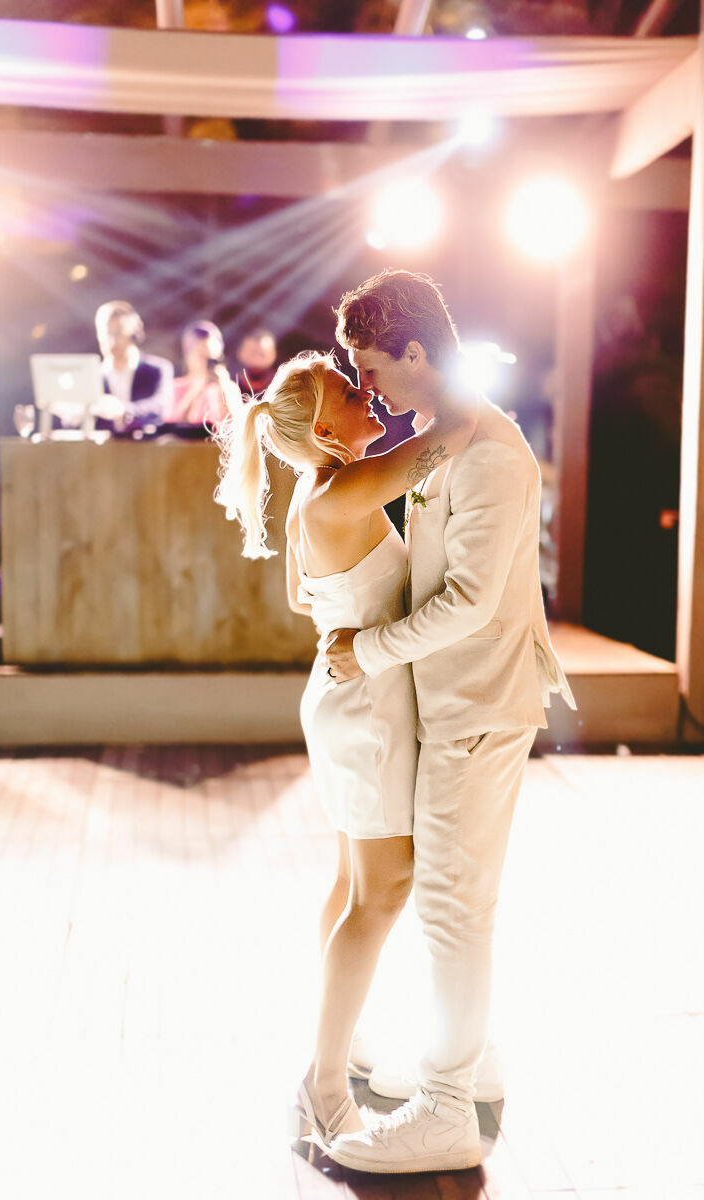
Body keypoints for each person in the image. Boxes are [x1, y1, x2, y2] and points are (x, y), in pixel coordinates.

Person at [323, 269, 575, 1175]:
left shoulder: (493, 451)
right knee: (457, 898)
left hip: (477, 703)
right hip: (455, 700)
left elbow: (469, 601)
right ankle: (468, 1060)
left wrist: (369, 648)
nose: (367, 385)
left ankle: (445, 1109)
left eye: (372, 363)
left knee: (450, 906)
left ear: (417, 350)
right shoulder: (442, 435)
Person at [213, 346, 476, 1153]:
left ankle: (341, 1039)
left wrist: (348, 620)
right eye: (352, 392)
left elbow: (302, 595)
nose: (370, 395)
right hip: (364, 710)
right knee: (383, 890)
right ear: (326, 431)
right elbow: (460, 429)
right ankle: (324, 1085)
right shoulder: (349, 486)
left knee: (352, 884)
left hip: (344, 697)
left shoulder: (315, 492)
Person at [94, 300, 173, 433]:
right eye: (106, 334)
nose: (111, 342)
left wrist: (123, 410)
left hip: (147, 451)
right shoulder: (93, 375)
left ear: (133, 333)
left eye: (117, 334)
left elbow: (160, 407)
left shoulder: (158, 369)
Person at [169, 320, 229, 426]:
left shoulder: (229, 389)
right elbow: (174, 426)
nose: (206, 363)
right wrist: (197, 389)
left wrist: (223, 391)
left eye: (212, 359)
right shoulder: (174, 388)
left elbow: (234, 427)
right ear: (188, 357)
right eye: (201, 356)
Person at [234, 327, 278, 394]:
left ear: (273, 355)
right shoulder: (225, 379)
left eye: (262, 354)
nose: (257, 359)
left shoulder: (279, 384)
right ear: (240, 352)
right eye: (252, 353)